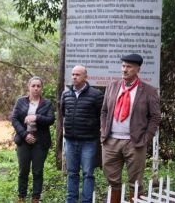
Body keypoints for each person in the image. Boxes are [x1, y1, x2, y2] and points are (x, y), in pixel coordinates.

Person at [101, 54, 161, 203]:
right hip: (111, 141)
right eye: (123, 66)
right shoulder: (112, 86)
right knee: (112, 180)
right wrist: (103, 131)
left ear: (137, 69)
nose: (125, 69)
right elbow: (104, 111)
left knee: (135, 182)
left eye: (129, 67)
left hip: (135, 143)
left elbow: (155, 117)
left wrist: (147, 138)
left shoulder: (149, 91)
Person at [61, 65, 104, 203]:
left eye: (78, 74)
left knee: (88, 174)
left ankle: (86, 201)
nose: (74, 77)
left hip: (89, 142)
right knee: (72, 173)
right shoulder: (66, 94)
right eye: (73, 74)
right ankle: (71, 200)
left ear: (86, 77)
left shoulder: (96, 95)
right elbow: (63, 113)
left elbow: (102, 116)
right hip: (70, 141)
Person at [11, 76, 55, 203]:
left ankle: (36, 198)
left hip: (40, 142)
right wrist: (25, 135)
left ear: (41, 88)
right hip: (23, 140)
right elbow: (14, 119)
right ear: (28, 87)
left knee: (37, 171)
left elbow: (51, 120)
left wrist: (36, 117)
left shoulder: (46, 103)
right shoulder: (21, 102)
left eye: (38, 86)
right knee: (23, 170)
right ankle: (21, 197)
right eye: (33, 86)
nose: (36, 88)